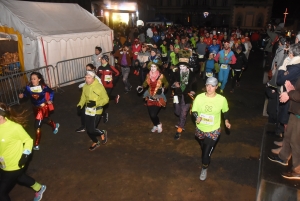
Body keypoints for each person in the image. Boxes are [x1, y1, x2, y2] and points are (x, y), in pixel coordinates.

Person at [0, 102, 46, 201]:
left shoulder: (14, 128)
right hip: (4, 163)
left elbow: (28, 140)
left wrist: (25, 154)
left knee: (1, 194)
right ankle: (39, 188)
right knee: (20, 177)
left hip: (15, 164)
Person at [191, 77, 231, 181]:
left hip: (213, 130)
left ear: (216, 87)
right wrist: (196, 117)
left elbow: (225, 111)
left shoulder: (221, 99)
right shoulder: (199, 97)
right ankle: (206, 149)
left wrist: (226, 121)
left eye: (212, 86)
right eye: (208, 85)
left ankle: (204, 168)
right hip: (200, 128)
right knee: (203, 146)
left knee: (205, 154)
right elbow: (194, 110)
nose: (209, 88)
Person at [18, 72, 59, 150]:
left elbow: (51, 92)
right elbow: (26, 94)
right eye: (31, 79)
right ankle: (54, 125)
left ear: (39, 79)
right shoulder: (28, 87)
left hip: (43, 108)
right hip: (35, 108)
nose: (32, 80)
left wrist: (50, 99)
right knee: (44, 119)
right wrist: (22, 95)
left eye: (34, 79)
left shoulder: (43, 87)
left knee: (37, 125)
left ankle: (36, 144)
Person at [77, 71, 109, 151]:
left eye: (89, 78)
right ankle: (96, 141)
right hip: (88, 110)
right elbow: (83, 98)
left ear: (93, 78)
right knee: (88, 130)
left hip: (97, 111)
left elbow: (106, 99)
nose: (87, 79)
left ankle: (102, 132)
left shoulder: (99, 87)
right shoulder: (85, 86)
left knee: (92, 129)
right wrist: (80, 105)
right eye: (86, 77)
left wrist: (96, 103)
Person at [137, 60, 169, 133]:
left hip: (158, 97)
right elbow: (145, 83)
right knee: (151, 115)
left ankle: (159, 124)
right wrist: (141, 87)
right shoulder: (148, 75)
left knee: (153, 114)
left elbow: (166, 83)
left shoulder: (161, 76)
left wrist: (163, 89)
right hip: (149, 96)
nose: (152, 68)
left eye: (154, 66)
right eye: (151, 66)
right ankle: (156, 125)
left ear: (157, 67)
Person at [172, 51, 197, 140]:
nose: (181, 68)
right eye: (180, 66)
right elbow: (172, 82)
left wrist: (193, 91)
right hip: (176, 95)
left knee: (183, 113)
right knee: (177, 112)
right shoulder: (176, 73)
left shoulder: (192, 75)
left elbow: (194, 85)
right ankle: (181, 121)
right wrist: (175, 83)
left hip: (187, 96)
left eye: (183, 66)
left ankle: (179, 130)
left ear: (187, 66)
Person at [96, 55, 120, 123]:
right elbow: (97, 75)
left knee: (105, 98)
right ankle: (115, 97)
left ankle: (103, 113)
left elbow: (117, 73)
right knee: (106, 97)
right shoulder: (100, 68)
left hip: (109, 86)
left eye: (103, 60)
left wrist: (113, 81)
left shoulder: (110, 67)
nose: (102, 61)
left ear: (107, 60)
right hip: (102, 86)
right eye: (102, 59)